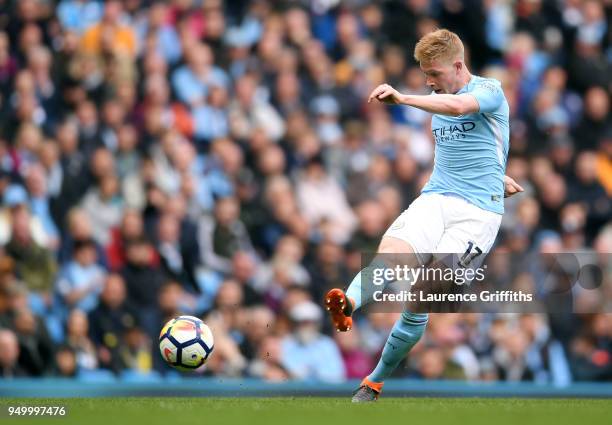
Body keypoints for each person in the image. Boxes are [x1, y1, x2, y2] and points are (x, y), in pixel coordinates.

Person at [323, 29, 524, 402]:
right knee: (392, 255)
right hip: (435, 198)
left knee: (425, 291)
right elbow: (465, 150)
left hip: (477, 215)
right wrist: (496, 173)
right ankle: (348, 303)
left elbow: (462, 109)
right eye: (424, 74)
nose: (429, 81)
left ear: (458, 65)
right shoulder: (435, 99)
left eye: (434, 73)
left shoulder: (490, 90)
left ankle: (374, 381)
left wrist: (403, 98)